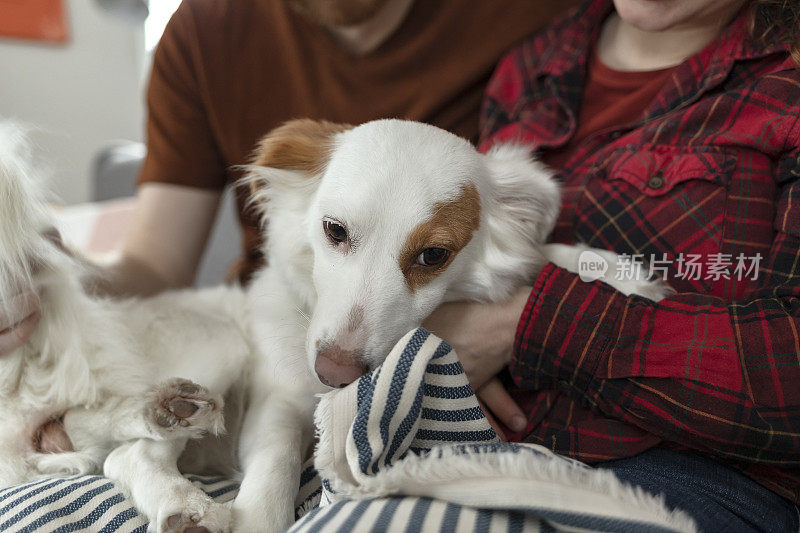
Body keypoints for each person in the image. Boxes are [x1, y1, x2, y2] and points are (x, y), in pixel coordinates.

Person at [424, 0, 800, 529]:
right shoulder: (533, 63)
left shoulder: (785, 83)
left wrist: (524, 324)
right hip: (487, 438)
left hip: (695, 474)